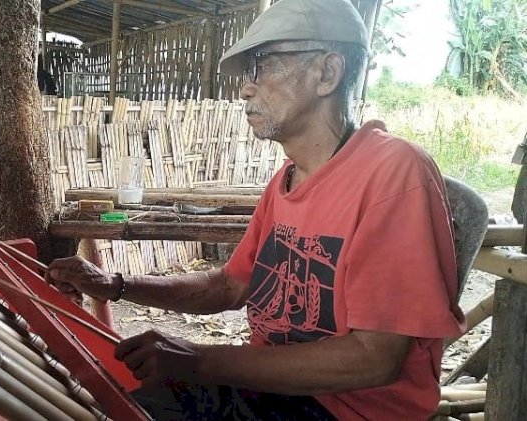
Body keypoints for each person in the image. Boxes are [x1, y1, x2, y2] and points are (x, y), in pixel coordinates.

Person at [46, 0, 466, 419]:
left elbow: (373, 359)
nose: (247, 88)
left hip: (343, 410)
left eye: (261, 66)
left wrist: (198, 359)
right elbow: (230, 286)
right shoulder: (287, 179)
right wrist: (116, 285)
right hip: (272, 392)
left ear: (328, 73)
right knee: (99, 392)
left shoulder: (393, 173)